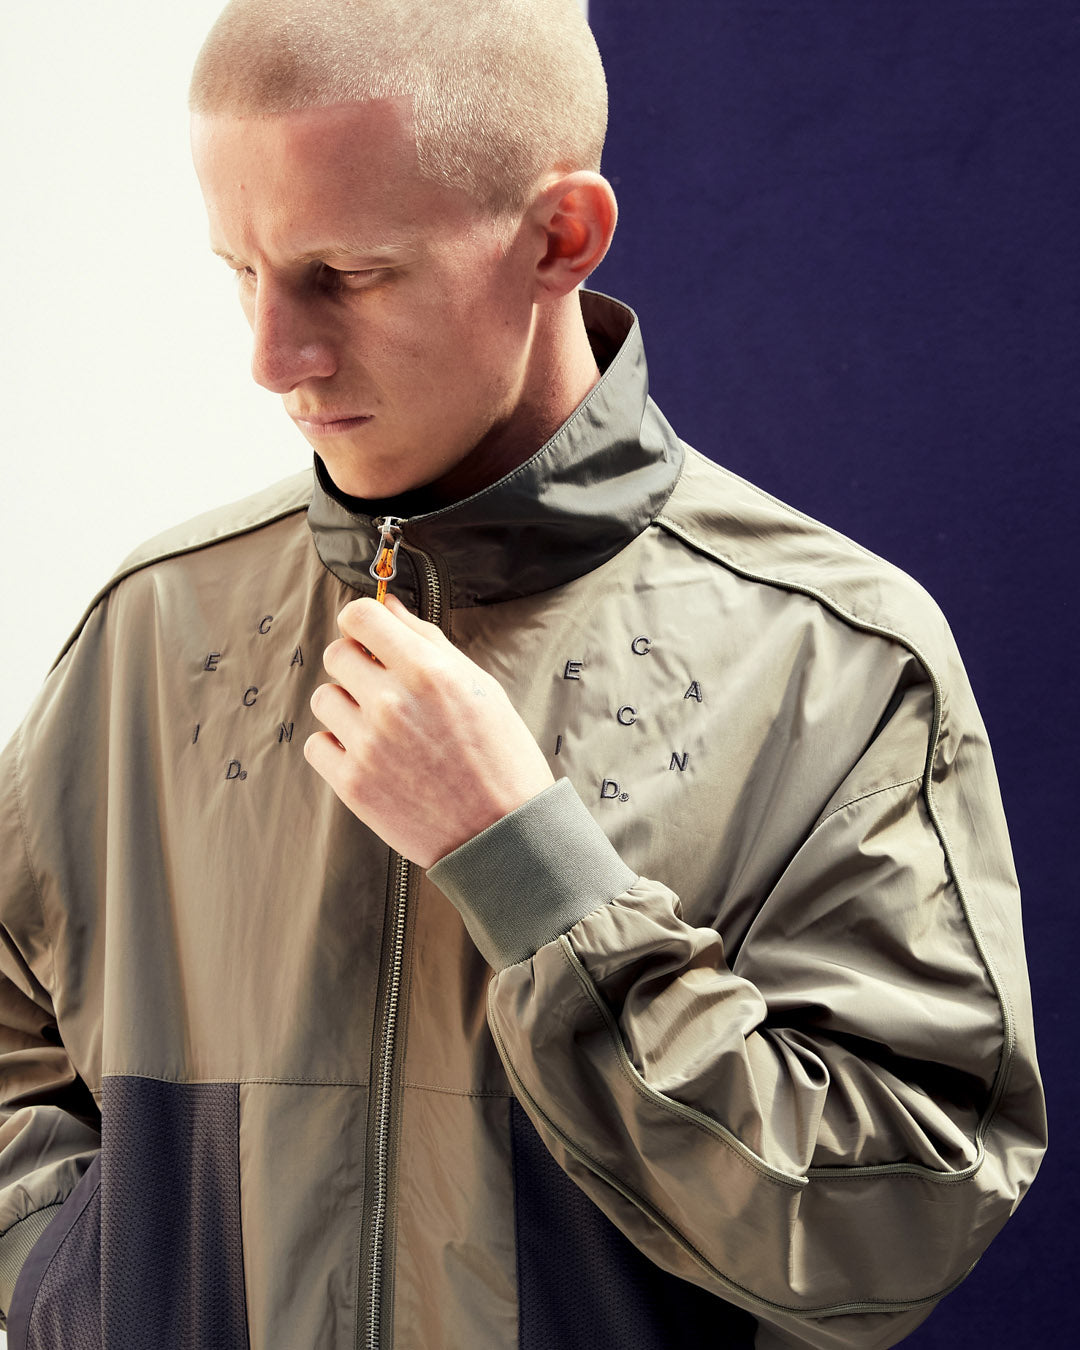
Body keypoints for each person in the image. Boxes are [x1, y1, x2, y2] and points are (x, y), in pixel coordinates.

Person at [0, 1, 1045, 1347]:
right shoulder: (152, 626)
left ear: (561, 236)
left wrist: (530, 871)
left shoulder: (831, 661)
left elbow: (893, 1224)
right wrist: (78, 1287)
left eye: (346, 274)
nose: (271, 358)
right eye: (241, 271)